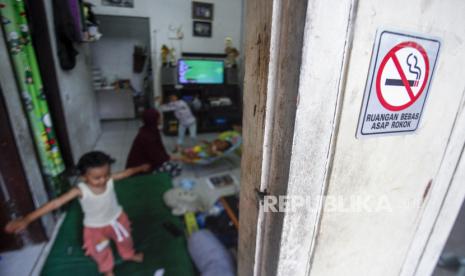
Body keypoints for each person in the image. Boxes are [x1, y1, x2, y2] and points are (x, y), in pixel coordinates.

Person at [5, 151, 151, 276]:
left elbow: (127, 173)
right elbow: (55, 203)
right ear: (83, 177)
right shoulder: (80, 190)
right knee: (100, 251)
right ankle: (107, 270)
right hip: (95, 229)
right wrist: (27, 219)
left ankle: (129, 254)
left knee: (125, 240)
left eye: (106, 175)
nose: (103, 180)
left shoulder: (110, 180)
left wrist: (140, 168)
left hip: (117, 220)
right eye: (97, 178)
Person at [126, 108, 182, 177]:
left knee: (175, 167)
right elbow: (156, 157)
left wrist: (168, 157)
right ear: (153, 119)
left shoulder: (151, 130)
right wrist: (170, 158)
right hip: (141, 169)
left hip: (149, 162)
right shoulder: (147, 136)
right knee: (173, 170)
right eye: (159, 117)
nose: (161, 118)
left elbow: (160, 149)